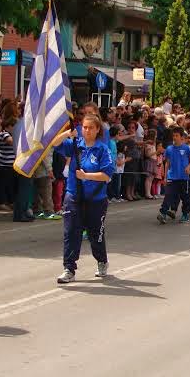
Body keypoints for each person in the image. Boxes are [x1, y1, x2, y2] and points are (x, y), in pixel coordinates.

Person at [52, 114, 115, 284]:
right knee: (71, 232)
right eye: (84, 127)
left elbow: (107, 175)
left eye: (90, 128)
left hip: (95, 199)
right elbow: (54, 144)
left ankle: (101, 260)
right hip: (73, 196)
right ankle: (69, 268)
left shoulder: (102, 149)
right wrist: (67, 134)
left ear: (97, 130)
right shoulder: (75, 145)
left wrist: (87, 176)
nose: (87, 131)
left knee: (96, 234)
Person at [157, 126, 190, 224]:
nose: (174, 137)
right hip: (172, 177)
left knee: (185, 197)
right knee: (168, 196)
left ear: (181, 137)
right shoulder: (169, 149)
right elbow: (167, 163)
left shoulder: (186, 148)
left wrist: (188, 167)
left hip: (184, 177)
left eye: (177, 135)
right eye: (173, 135)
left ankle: (185, 213)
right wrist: (165, 177)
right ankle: (163, 213)